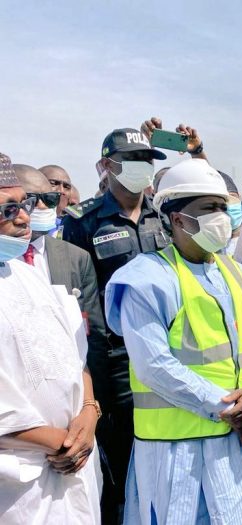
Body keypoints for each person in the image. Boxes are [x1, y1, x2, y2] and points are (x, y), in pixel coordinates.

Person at [104, 158, 242, 524]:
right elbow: (154, 366)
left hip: (240, 442)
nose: (221, 216)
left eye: (222, 206)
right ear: (178, 219)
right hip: (176, 454)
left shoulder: (236, 272)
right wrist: (230, 408)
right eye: (209, 208)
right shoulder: (146, 279)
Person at [60, 126, 168, 524]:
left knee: (162, 456)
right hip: (116, 364)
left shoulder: (163, 217)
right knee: (120, 462)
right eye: (132, 160)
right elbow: (78, 300)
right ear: (108, 166)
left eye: (146, 161)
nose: (141, 169)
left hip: (165, 356)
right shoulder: (84, 222)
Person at [0, 153, 101, 524]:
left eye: (22, 205)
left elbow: (77, 358)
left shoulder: (30, 275)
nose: (24, 218)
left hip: (74, 468)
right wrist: (57, 441)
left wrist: (89, 413)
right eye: (7, 210)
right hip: (18, 486)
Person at [15, 164, 111, 416]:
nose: (44, 208)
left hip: (74, 399)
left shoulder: (74, 258)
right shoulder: (8, 257)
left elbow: (93, 337)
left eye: (50, 199)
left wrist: (91, 404)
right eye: (34, 200)